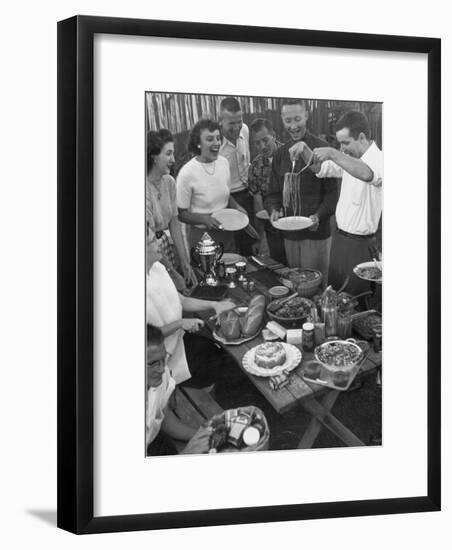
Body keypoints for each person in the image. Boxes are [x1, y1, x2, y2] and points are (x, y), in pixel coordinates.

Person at [289, 110, 382, 295]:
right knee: (335, 294)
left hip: (361, 246)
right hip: (339, 240)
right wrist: (304, 149)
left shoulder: (381, 159)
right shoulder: (348, 158)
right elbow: (319, 169)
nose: (343, 149)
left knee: (356, 301)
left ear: (362, 137)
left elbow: (367, 174)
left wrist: (332, 152)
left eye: (345, 143)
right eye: (340, 144)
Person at [146, 226, 236, 386]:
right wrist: (181, 323)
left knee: (218, 350)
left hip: (179, 339)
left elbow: (181, 300)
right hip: (161, 359)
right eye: (152, 241)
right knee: (218, 361)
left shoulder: (157, 268)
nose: (159, 243)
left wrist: (215, 305)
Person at [265, 99, 338, 283]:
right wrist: (274, 210)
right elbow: (272, 193)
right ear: (282, 120)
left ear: (306, 115)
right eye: (288, 121)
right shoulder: (281, 154)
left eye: (297, 119)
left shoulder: (322, 149)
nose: (293, 126)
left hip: (317, 235)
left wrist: (318, 216)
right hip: (289, 235)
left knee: (317, 285)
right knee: (295, 284)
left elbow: (332, 195)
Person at [177, 118, 247, 253]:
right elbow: (181, 214)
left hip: (227, 231)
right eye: (209, 139)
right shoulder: (187, 173)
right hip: (202, 236)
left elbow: (226, 194)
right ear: (198, 143)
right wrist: (204, 219)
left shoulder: (224, 163)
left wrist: (236, 206)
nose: (216, 143)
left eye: (218, 138)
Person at [146, 324, 213, 456]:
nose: (161, 369)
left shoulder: (161, 376)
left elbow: (164, 419)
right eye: (153, 363)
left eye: (163, 359)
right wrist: (187, 452)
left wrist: (202, 437)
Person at [146, 129, 197, 293]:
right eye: (168, 154)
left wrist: (185, 263)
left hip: (166, 250)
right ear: (154, 156)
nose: (173, 159)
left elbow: (175, 225)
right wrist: (172, 273)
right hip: (149, 254)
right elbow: (149, 240)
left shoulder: (169, 182)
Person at [218, 97, 257, 256]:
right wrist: (234, 205)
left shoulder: (245, 130)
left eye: (239, 121)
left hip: (247, 195)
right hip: (226, 201)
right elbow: (217, 185)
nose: (236, 128)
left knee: (251, 245)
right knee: (231, 249)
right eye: (231, 124)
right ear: (221, 121)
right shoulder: (215, 144)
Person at [247, 118, 286, 262]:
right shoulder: (255, 167)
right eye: (257, 143)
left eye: (265, 140)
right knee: (278, 264)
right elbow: (258, 205)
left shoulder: (290, 155)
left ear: (274, 135)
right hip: (272, 225)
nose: (262, 146)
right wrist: (259, 238)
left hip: (294, 223)